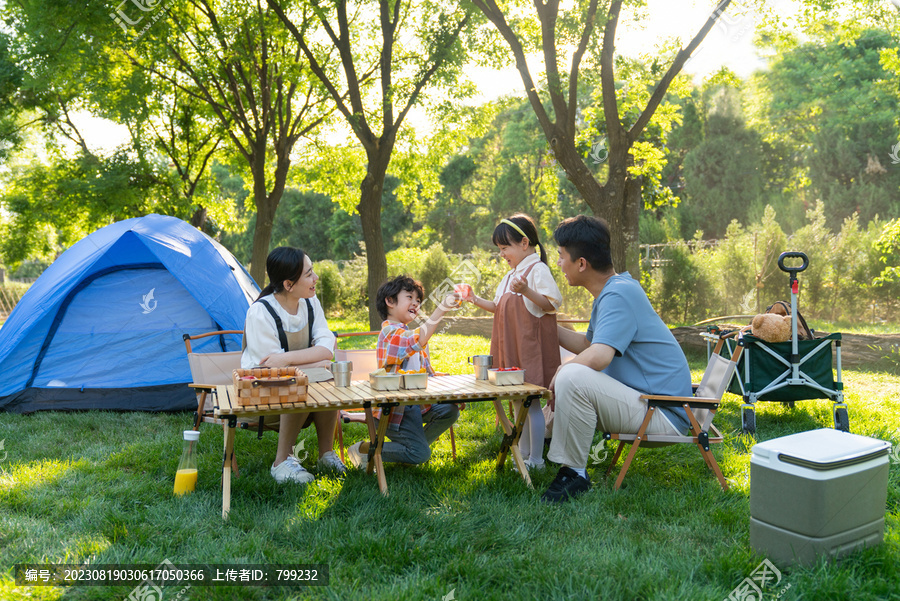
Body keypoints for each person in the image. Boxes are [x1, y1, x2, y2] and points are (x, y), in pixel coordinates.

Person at [541, 215, 693, 503]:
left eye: (562, 257)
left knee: (572, 375)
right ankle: (547, 442)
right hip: (648, 403)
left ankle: (574, 473)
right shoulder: (614, 290)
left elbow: (598, 357)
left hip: (662, 414)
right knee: (569, 366)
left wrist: (560, 374)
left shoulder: (618, 295)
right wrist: (545, 326)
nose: (559, 264)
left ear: (582, 263)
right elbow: (586, 344)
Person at [460, 213, 562, 470]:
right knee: (517, 399)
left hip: (530, 347)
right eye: (499, 249)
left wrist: (526, 290)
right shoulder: (510, 275)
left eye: (505, 248)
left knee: (532, 402)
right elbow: (498, 307)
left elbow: (551, 303)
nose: (502, 253)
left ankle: (537, 459)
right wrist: (474, 299)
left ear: (524, 243)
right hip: (511, 346)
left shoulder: (537, 270)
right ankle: (525, 455)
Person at [242, 246, 347, 484]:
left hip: (301, 384)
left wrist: (289, 358)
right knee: (299, 382)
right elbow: (273, 368)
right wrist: (316, 359)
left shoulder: (310, 303)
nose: (316, 278)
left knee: (325, 378)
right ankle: (281, 463)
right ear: (288, 284)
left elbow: (326, 349)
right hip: (259, 394)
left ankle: (326, 454)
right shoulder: (261, 312)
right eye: (309, 274)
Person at [346, 275, 460, 470]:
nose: (415, 303)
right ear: (390, 301)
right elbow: (418, 338)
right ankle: (364, 450)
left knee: (449, 410)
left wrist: (450, 390)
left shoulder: (406, 333)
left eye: (418, 300)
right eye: (409, 297)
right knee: (421, 454)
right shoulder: (391, 333)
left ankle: (409, 450)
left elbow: (423, 374)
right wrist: (442, 308)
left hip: (414, 406)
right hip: (394, 411)